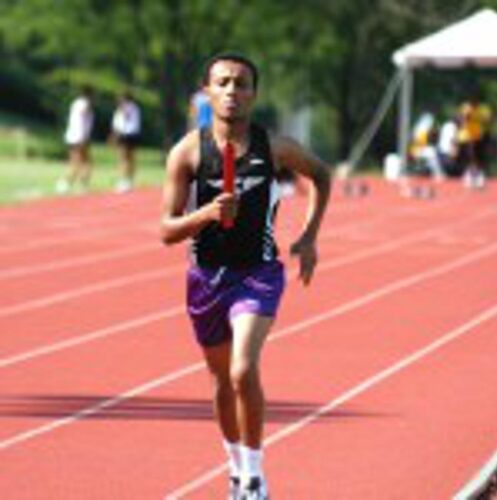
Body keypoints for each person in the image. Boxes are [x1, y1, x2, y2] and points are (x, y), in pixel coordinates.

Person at [160, 53, 331, 499]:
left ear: (254, 93)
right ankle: (235, 467)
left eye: (241, 83)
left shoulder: (273, 148)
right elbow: (166, 230)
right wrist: (207, 214)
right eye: (223, 83)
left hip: (258, 273)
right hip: (205, 279)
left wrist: (310, 236)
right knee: (220, 382)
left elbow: (321, 174)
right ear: (207, 91)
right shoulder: (188, 153)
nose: (232, 91)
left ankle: (255, 478)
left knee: (242, 370)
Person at [56, 85, 95, 194]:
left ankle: (67, 183)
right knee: (84, 162)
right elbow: (83, 117)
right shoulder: (85, 103)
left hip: (72, 135)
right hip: (80, 136)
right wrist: (84, 136)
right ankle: (74, 184)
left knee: (75, 161)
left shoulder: (76, 103)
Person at [110, 90, 142, 193]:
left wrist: (115, 135)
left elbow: (123, 118)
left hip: (126, 134)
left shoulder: (128, 107)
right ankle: (129, 180)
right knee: (129, 158)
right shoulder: (134, 107)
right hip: (130, 134)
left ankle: (124, 180)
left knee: (124, 158)